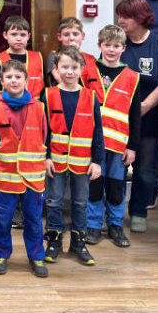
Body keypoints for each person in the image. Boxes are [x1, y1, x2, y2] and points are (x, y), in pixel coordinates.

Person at [116, 0, 158, 233]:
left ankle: (139, 212)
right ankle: (113, 213)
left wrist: (146, 105)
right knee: (117, 169)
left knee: (145, 170)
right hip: (119, 122)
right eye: (119, 16)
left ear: (140, 18)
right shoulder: (117, 43)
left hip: (149, 119)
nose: (121, 20)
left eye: (126, 16)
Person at [42, 46, 103, 266]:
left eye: (74, 67)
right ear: (56, 69)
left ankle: (79, 243)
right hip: (55, 161)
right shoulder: (47, 95)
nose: (69, 72)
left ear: (81, 69)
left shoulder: (90, 96)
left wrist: (97, 161)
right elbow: (43, 130)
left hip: (82, 162)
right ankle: (54, 241)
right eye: (65, 67)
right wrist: (46, 156)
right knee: (53, 201)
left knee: (80, 203)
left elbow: (98, 131)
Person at [0, 59, 49, 277]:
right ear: (2, 81)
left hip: (33, 178)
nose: (13, 81)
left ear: (26, 80)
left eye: (18, 77)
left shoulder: (39, 107)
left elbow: (43, 136)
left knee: (34, 220)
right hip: (6, 177)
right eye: (9, 77)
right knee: (2, 220)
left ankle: (37, 257)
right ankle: (1, 254)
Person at [83, 25, 141, 248]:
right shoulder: (87, 72)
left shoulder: (132, 77)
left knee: (117, 187)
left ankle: (116, 225)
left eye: (116, 46)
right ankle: (93, 225)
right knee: (95, 186)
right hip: (93, 144)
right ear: (100, 45)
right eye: (107, 45)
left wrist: (132, 146)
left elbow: (135, 116)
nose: (111, 50)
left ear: (123, 48)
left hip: (119, 145)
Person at [0, 15, 44, 101]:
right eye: (14, 34)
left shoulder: (38, 57)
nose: (18, 38)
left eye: (23, 35)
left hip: (34, 106)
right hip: (7, 107)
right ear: (5, 35)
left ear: (28, 36)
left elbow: (45, 89)